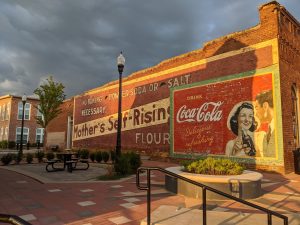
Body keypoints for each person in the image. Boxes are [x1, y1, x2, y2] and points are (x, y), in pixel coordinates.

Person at [255, 90, 275, 157]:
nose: (256, 113)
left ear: (265, 106)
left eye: (257, 108)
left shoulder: (281, 128)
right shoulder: (268, 132)